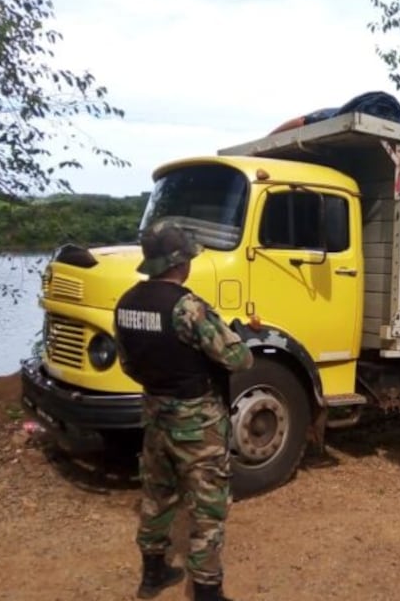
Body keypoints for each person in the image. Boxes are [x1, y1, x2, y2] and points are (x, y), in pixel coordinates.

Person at [114, 222, 254, 601]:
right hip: (197, 422)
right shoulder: (188, 306)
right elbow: (239, 359)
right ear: (181, 262)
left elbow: (126, 364)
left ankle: (153, 574)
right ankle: (207, 593)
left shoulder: (126, 302)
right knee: (208, 506)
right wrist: (237, 335)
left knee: (157, 494)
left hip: (155, 415)